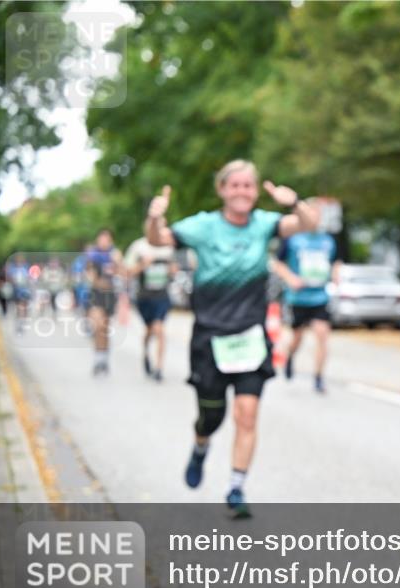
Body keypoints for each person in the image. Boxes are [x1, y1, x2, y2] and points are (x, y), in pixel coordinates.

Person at [144, 160, 317, 518]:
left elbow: (308, 224)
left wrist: (294, 202)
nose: (242, 191)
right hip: (210, 338)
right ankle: (200, 445)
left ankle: (236, 487)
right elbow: (157, 239)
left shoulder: (264, 224)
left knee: (247, 414)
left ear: (255, 191)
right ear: (222, 189)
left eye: (247, 185)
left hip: (250, 335)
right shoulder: (203, 226)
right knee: (212, 417)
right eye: (234, 185)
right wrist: (154, 217)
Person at [271, 209, 341, 391]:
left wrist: (336, 275)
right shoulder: (292, 239)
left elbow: (336, 261)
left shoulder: (328, 240)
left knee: (322, 335)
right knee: (297, 337)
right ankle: (290, 356)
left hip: (320, 297)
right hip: (298, 298)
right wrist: (291, 279)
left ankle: (318, 376)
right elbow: (277, 263)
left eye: (317, 216)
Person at [124, 235, 178, 381]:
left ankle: (159, 368)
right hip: (144, 297)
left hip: (162, 296)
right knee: (149, 330)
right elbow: (128, 272)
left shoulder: (168, 248)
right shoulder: (138, 246)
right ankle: (146, 353)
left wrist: (171, 269)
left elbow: (175, 269)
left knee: (159, 328)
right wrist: (143, 265)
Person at [84, 229, 123, 375]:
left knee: (105, 328)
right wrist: (98, 281)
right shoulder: (93, 256)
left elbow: (122, 274)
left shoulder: (115, 255)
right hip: (96, 295)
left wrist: (117, 262)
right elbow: (90, 276)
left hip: (110, 295)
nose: (104, 242)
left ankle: (104, 358)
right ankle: (98, 358)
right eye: (101, 239)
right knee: (98, 326)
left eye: (106, 239)